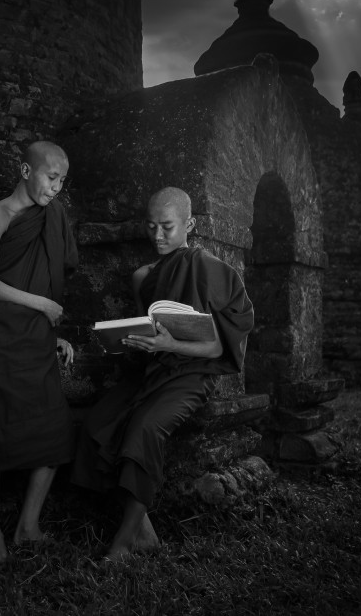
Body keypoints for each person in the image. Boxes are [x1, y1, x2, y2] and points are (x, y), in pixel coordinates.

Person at [70, 186, 254, 561]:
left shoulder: (205, 268)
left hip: (191, 376)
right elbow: (151, 327)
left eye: (167, 227)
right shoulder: (143, 276)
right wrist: (130, 341)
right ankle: (145, 533)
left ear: (190, 224)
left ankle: (123, 544)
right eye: (151, 226)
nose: (157, 236)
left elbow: (215, 348)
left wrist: (169, 345)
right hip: (152, 370)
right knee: (96, 424)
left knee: (144, 428)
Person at [0, 140, 79, 565]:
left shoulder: (53, 217)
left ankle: (28, 525)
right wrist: (43, 306)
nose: (56, 188)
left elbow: (49, 278)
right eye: (51, 177)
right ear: (26, 171)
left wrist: (53, 333)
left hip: (34, 338)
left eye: (62, 181)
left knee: (56, 429)